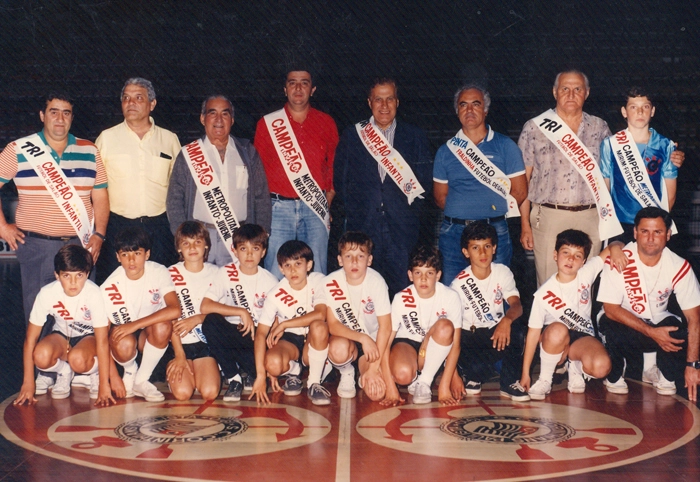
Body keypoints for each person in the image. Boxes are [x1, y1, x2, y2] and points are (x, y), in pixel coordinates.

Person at [0, 92, 109, 323]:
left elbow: (100, 195)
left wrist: (99, 234)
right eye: (54, 111)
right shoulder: (18, 149)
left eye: (66, 113)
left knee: (84, 317)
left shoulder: (90, 150)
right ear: (42, 115)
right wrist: (2, 226)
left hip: (82, 243)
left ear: (72, 117)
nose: (60, 118)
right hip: (37, 247)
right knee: (40, 319)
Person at [334, 78, 433, 296]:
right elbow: (341, 181)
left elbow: (424, 183)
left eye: (389, 99)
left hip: (402, 229)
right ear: (369, 102)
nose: (384, 105)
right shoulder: (353, 135)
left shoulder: (414, 136)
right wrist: (356, 213)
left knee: (403, 291)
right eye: (378, 99)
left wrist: (410, 215)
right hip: (364, 226)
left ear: (397, 102)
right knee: (365, 290)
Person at [598, 207, 700, 401]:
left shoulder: (679, 266)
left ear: (668, 235)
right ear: (635, 233)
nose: (650, 238)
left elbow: (694, 318)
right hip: (621, 320)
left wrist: (693, 365)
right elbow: (610, 310)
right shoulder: (620, 258)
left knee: (677, 330)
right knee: (612, 329)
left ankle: (658, 371)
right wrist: (652, 332)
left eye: (658, 232)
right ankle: (615, 372)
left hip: (655, 319)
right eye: (644, 231)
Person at [434, 84, 527, 284]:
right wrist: (465, 212)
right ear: (457, 111)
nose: (469, 110)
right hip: (454, 233)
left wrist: (489, 212)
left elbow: (519, 191)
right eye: (463, 105)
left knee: (498, 290)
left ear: (485, 109)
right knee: (453, 289)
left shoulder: (505, 146)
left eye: (476, 104)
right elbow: (441, 197)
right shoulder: (445, 151)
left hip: (494, 230)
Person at [520, 230, 627, 400]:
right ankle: (545, 379)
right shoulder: (543, 294)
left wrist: (615, 248)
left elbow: (616, 245)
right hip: (554, 339)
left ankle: (575, 366)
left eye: (577, 256)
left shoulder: (586, 273)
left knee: (601, 367)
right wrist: (525, 373)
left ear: (584, 261)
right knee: (558, 330)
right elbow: (532, 334)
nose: (571, 259)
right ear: (555, 255)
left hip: (581, 335)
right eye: (566, 253)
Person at [167, 95, 271, 266]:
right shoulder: (189, 154)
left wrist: (261, 234)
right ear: (202, 118)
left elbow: (261, 196)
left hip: (239, 237)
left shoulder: (247, 152)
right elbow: (174, 198)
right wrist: (183, 236)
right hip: (199, 238)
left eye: (225, 114)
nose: (218, 119)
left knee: (235, 291)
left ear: (232, 119)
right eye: (212, 113)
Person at [254, 69, 338, 278]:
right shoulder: (267, 124)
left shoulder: (326, 122)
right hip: (278, 208)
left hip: (315, 207)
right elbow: (258, 171)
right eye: (293, 83)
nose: (298, 88)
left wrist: (329, 198)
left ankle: (317, 310)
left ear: (313, 89)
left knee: (316, 269)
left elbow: (334, 165)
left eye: (304, 83)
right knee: (276, 268)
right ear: (285, 89)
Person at [95, 78, 181, 283]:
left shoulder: (169, 140)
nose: (130, 102)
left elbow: (179, 187)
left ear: (152, 104)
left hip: (159, 229)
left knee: (160, 288)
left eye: (138, 97)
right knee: (115, 287)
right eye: (126, 98)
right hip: (118, 227)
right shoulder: (106, 139)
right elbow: (96, 188)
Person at [13, 245, 112, 405]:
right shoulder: (47, 293)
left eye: (79, 275)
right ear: (57, 275)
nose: (73, 282)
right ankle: (64, 372)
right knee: (40, 356)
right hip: (62, 335)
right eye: (66, 276)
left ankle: (94, 372)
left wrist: (105, 384)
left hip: (88, 339)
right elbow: (30, 339)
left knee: (78, 359)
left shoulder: (94, 294)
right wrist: (28, 382)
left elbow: (102, 341)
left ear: (87, 274)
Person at [451, 222, 529, 401]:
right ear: (466, 252)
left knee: (518, 328)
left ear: (494, 248)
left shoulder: (502, 272)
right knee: (477, 370)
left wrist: (507, 320)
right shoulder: (458, 285)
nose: (483, 253)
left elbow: (516, 305)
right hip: (468, 338)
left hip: (495, 333)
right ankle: (470, 374)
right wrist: (453, 375)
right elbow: (451, 332)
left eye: (487, 246)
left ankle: (509, 383)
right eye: (475, 248)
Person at [200, 224, 278, 402]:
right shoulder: (226, 272)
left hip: (256, 339)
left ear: (264, 252)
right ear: (234, 251)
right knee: (211, 322)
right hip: (232, 332)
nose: (249, 255)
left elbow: (276, 322)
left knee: (260, 356)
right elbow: (205, 306)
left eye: (255, 249)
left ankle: (253, 372)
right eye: (243, 249)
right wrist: (240, 311)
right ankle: (234, 378)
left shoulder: (270, 281)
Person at [101, 226, 180, 402]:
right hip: (125, 336)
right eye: (125, 254)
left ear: (147, 254)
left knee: (163, 325)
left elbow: (175, 309)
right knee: (120, 341)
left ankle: (141, 379)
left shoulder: (159, 271)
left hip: (148, 332)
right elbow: (101, 338)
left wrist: (135, 325)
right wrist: (112, 377)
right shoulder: (108, 288)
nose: (131, 260)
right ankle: (130, 371)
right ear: (117, 257)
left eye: (137, 253)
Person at [250, 240, 330, 406]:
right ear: (281, 269)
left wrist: (284, 324)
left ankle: (314, 383)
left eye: (298, 263)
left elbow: (321, 314)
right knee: (272, 363)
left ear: (309, 265)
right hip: (291, 340)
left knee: (319, 326)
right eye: (287, 265)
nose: (293, 270)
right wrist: (260, 374)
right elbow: (261, 334)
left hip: (314, 338)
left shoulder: (318, 280)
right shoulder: (275, 294)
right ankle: (295, 372)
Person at [599, 87, 679, 244]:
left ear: (653, 111)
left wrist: (657, 224)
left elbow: (670, 195)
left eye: (646, 107)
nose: (640, 112)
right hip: (620, 225)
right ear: (624, 112)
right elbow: (604, 189)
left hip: (652, 226)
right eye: (633, 107)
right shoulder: (610, 144)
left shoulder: (666, 146)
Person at [387, 245, 463, 405]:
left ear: (438, 275)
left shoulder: (450, 296)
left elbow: (455, 345)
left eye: (429, 273)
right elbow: (386, 343)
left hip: (436, 345)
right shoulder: (400, 298)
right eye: (418, 273)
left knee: (445, 326)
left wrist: (445, 386)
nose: (423, 279)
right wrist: (390, 387)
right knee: (402, 375)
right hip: (407, 344)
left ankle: (424, 382)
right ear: (410, 275)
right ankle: (415, 377)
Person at [323, 231, 393, 401]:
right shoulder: (331, 282)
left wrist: (373, 369)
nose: (354, 262)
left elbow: (386, 327)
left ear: (369, 260)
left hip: (374, 344)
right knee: (337, 349)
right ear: (340, 260)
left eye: (360, 256)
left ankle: (363, 371)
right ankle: (346, 372)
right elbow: (332, 325)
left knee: (376, 394)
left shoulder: (377, 282)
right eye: (348, 256)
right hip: (347, 340)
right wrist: (362, 338)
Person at [166, 221, 220, 401]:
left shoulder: (218, 273)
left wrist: (197, 319)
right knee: (183, 393)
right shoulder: (170, 273)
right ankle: (180, 368)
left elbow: (225, 314)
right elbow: (167, 318)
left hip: (206, 343)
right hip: (179, 343)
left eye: (197, 242)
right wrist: (179, 354)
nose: (192, 248)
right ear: (179, 248)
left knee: (210, 392)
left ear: (206, 245)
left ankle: (203, 370)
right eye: (186, 243)